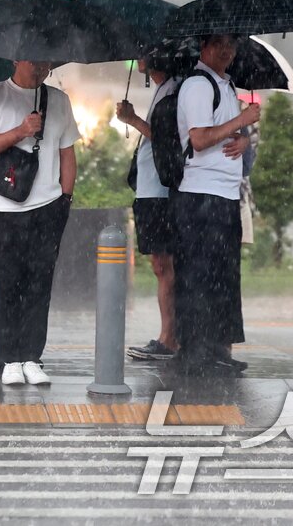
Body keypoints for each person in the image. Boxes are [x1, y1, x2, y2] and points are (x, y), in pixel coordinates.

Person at [0, 60, 80, 387]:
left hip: (47, 206)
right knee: (5, 284)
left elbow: (68, 154)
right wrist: (21, 130)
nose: (42, 65)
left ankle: (32, 356)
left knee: (39, 284)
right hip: (5, 206)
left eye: (47, 58)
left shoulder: (59, 100)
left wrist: (65, 199)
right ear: (17, 58)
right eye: (35, 57)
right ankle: (9, 357)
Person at [169, 34, 261, 377]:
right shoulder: (198, 84)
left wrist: (243, 137)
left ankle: (219, 347)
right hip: (200, 195)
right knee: (198, 275)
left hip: (224, 194)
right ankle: (195, 350)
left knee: (222, 276)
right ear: (204, 46)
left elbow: (224, 133)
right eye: (220, 43)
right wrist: (242, 121)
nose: (227, 51)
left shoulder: (226, 84)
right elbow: (200, 138)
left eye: (232, 45)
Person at [118, 51, 179, 363]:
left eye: (144, 50)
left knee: (165, 266)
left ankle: (169, 339)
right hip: (151, 191)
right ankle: (171, 337)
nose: (138, 56)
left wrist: (133, 121)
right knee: (161, 266)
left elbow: (168, 140)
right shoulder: (164, 89)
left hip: (160, 192)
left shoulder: (174, 90)